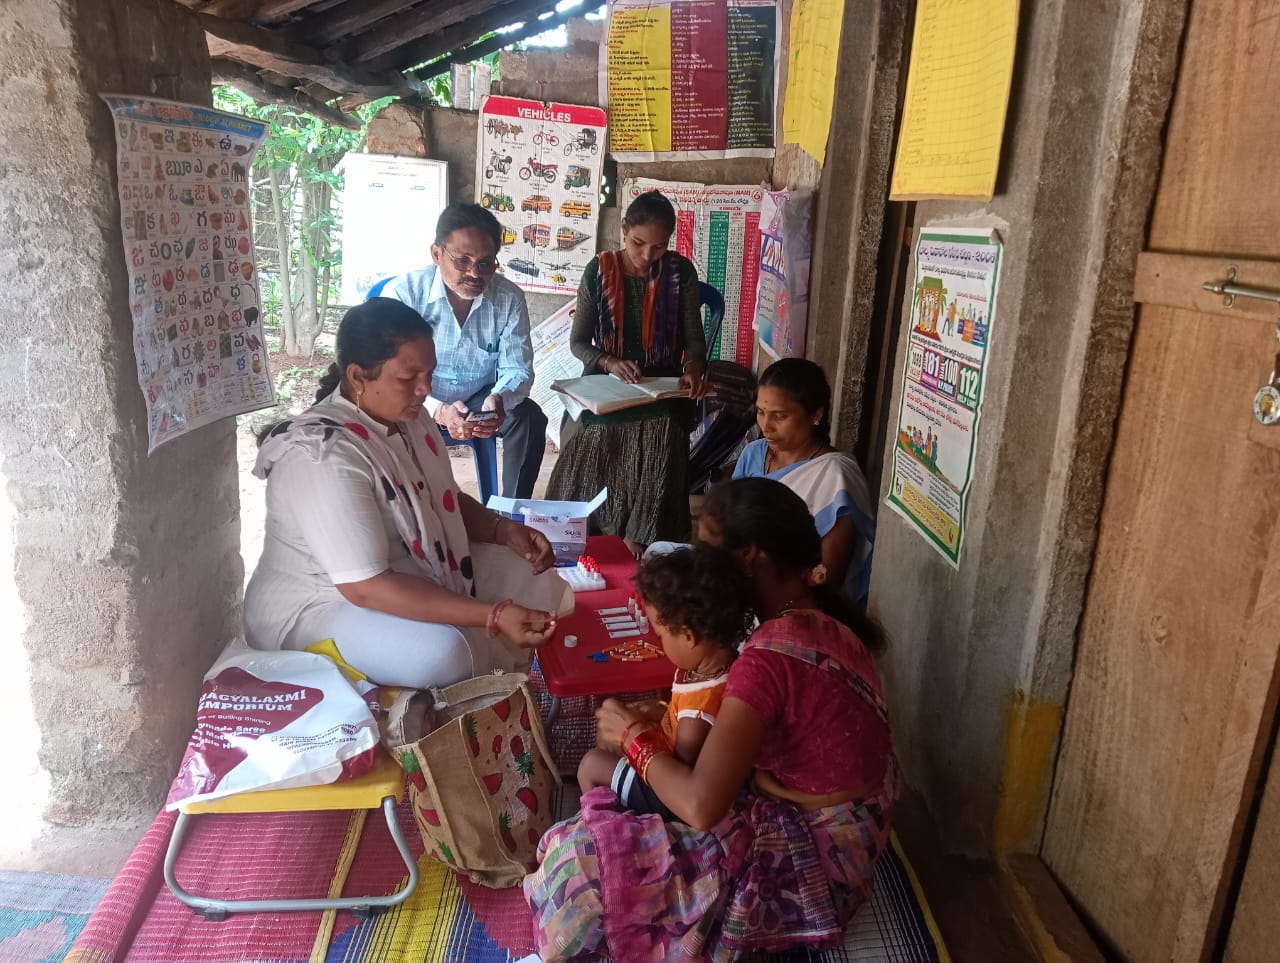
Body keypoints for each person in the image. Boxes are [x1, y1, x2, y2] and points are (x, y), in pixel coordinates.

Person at [525, 478, 896, 961]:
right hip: (854, 832)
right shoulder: (824, 619)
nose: (698, 561)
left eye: (708, 548)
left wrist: (634, 737)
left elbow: (700, 805)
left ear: (751, 558)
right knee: (602, 835)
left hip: (816, 866)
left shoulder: (767, 659)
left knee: (583, 867)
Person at [244, 298, 571, 690]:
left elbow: (439, 496)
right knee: (446, 653)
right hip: (323, 603)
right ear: (358, 377)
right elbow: (364, 586)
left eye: (430, 373)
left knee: (535, 579)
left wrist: (503, 530)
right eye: (409, 377)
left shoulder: (409, 419)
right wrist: (493, 614)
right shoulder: (323, 457)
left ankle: (516, 686)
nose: (425, 389)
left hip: (410, 562)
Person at [546, 191, 709, 553]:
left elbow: (694, 341)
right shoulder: (599, 271)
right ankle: (589, 531)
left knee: (663, 426)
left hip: (663, 385)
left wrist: (694, 367)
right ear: (623, 229)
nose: (647, 256)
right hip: (604, 384)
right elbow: (579, 343)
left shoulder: (680, 273)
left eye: (658, 247)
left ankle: (643, 536)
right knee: (596, 429)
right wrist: (609, 362)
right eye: (638, 243)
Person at [380, 202, 547, 499]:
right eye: (462, 261)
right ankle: (406, 506)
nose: (474, 273)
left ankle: (511, 512)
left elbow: (518, 369)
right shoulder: (404, 294)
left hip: (479, 402)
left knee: (529, 418)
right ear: (436, 254)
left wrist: (499, 400)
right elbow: (387, 376)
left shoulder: (509, 299)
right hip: (417, 399)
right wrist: (437, 410)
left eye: (485, 263)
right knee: (381, 419)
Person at [576, 545, 752, 820]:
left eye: (660, 635)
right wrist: (658, 711)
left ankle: (602, 826)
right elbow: (679, 715)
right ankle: (616, 802)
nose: (659, 642)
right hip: (667, 759)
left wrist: (637, 734)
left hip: (668, 795)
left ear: (688, 636)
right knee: (607, 733)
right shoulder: (714, 670)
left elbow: (676, 772)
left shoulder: (698, 716)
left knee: (590, 764)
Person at [734, 357, 876, 604]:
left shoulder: (835, 477)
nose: (766, 426)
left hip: (797, 609)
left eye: (780, 416)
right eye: (760, 412)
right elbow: (728, 528)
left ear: (816, 415)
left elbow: (826, 582)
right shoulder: (753, 454)